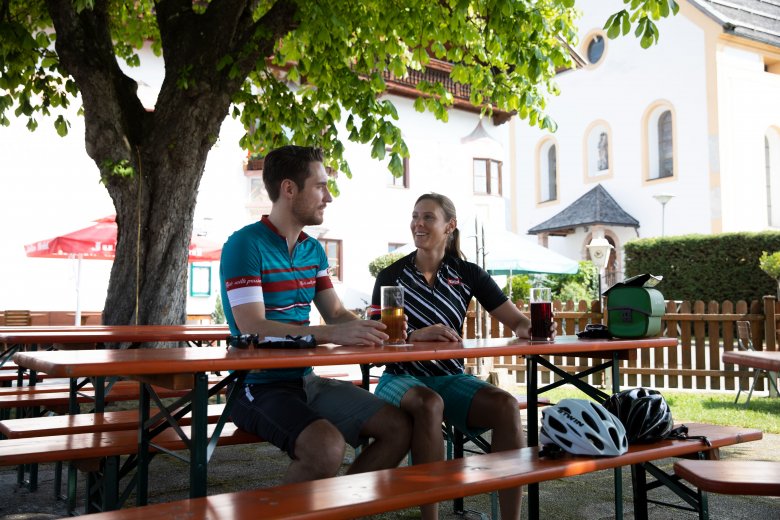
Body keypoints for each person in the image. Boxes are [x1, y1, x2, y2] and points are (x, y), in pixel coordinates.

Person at [220, 145, 411, 484]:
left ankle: (341, 508)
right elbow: (254, 327)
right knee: (325, 447)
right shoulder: (245, 244)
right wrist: (331, 334)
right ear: (289, 189)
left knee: (398, 428)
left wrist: (391, 332)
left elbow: (335, 313)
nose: (329, 197)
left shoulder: (313, 250)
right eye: (321, 186)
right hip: (254, 385)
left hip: (304, 380)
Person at [370, 192, 556, 520]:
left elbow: (516, 322)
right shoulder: (390, 277)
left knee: (506, 405)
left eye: (428, 217)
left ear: (449, 226)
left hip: (450, 377)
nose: (418, 223)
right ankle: (432, 518)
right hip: (399, 377)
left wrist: (533, 327)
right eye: (415, 216)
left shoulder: (468, 274)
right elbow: (377, 338)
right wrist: (413, 336)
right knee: (429, 404)